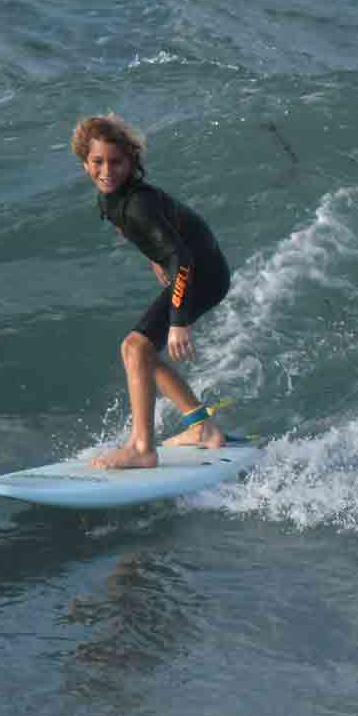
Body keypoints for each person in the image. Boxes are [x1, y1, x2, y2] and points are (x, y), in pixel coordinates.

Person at [70, 113, 232, 470]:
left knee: (134, 347)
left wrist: (178, 321)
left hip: (199, 273)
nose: (107, 171)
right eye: (98, 162)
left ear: (131, 163)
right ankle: (203, 428)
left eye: (116, 162)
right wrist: (156, 257)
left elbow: (183, 257)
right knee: (141, 353)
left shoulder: (137, 202)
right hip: (195, 268)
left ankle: (143, 448)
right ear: (85, 163)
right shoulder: (111, 199)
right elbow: (163, 237)